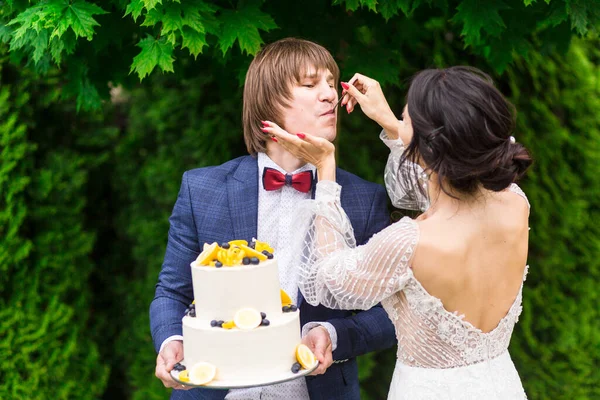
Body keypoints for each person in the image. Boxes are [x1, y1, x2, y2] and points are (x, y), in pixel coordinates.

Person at [262, 67, 533, 399]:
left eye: (407, 122)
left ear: (428, 146)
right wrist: (392, 123)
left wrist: (326, 173)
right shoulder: (515, 203)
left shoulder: (409, 242)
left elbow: (329, 278)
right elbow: (440, 189)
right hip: (500, 385)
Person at [150, 38, 397, 400]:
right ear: (268, 101)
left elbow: (392, 312)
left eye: (331, 83)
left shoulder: (363, 198)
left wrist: (332, 335)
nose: (329, 95)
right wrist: (171, 339)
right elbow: (172, 290)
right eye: (311, 84)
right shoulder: (202, 189)